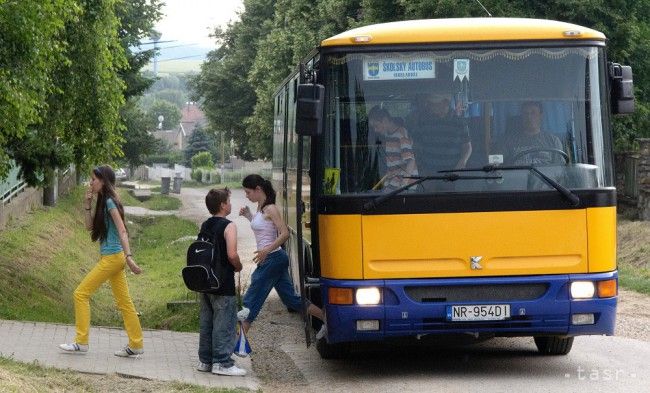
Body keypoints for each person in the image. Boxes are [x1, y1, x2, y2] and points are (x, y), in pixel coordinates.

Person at [59, 165, 144, 357]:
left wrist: (129, 257)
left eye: (94, 179)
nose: (91, 182)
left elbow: (122, 230)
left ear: (103, 181)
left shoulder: (110, 203)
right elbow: (89, 227)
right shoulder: (103, 201)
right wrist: (87, 204)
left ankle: (81, 342)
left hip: (114, 258)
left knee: (80, 294)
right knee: (124, 303)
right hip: (113, 258)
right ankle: (136, 344)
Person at [237, 174, 326, 339]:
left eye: (248, 192)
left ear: (258, 190)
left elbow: (284, 234)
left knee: (251, 299)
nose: (247, 196)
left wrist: (266, 250)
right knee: (292, 300)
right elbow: (263, 229)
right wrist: (249, 216)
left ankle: (236, 345)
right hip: (274, 259)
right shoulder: (260, 207)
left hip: (272, 259)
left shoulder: (271, 208)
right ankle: (327, 320)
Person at [196, 188, 247, 376]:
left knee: (207, 323)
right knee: (224, 323)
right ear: (223, 205)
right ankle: (223, 362)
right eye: (229, 201)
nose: (230, 204)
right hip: (223, 282)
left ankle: (205, 361)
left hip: (206, 281)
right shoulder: (229, 226)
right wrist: (239, 266)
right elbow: (232, 254)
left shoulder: (206, 225)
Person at [407, 92, 472, 175]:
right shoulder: (424, 122)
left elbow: (467, 146)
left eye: (433, 104)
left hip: (452, 175)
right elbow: (416, 146)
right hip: (429, 175)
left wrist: (462, 162)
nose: (429, 106)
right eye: (430, 104)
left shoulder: (460, 123)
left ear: (446, 103)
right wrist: (420, 168)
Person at [367, 106, 419, 190]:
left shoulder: (401, 135)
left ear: (385, 120)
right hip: (395, 177)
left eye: (376, 126)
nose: (375, 130)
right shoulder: (388, 134)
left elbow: (411, 161)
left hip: (407, 182)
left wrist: (404, 184)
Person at [496, 101, 564, 164]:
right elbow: (496, 166)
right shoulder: (507, 142)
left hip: (545, 177)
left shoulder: (553, 141)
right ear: (521, 117)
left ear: (541, 116)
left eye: (533, 113)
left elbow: (560, 170)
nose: (529, 117)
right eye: (526, 113)